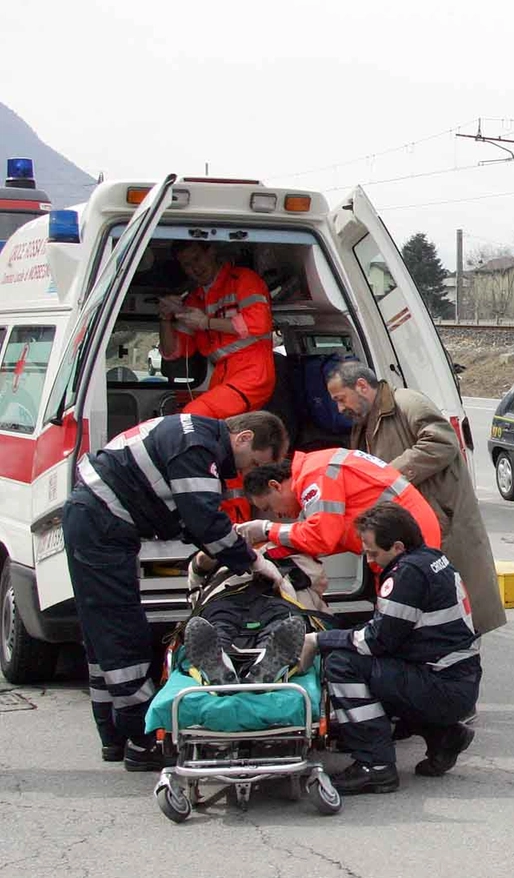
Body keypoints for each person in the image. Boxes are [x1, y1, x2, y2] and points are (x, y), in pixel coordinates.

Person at [64, 411, 289, 770]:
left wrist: (217, 545)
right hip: (102, 524)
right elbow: (203, 520)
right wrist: (251, 561)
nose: (245, 472)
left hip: (99, 520)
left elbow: (187, 518)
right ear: (243, 438)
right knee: (122, 635)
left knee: (103, 633)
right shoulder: (196, 446)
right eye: (253, 462)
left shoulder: (191, 434)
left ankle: (114, 737)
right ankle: (141, 739)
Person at [295, 503, 481, 795]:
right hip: (456, 679)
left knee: (342, 664)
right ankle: (444, 735)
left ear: (396, 546)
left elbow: (375, 641)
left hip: (443, 685)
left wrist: (318, 640)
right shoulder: (431, 558)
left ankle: (375, 766)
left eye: (372, 553)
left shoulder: (407, 575)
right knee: (375, 668)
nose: (370, 560)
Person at [325, 361, 505, 635]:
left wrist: (390, 476)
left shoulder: (407, 402)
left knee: (455, 613)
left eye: (341, 399)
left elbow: (443, 442)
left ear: (361, 386)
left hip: (441, 522)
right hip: (413, 526)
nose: (339, 408)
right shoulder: (364, 422)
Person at [238, 448, 443, 562]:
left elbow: (320, 537)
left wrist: (266, 529)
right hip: (404, 536)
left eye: (269, 507)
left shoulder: (315, 475)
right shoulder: (317, 467)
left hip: (404, 542)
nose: (277, 515)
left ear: (275, 486)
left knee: (403, 616)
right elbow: (330, 537)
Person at [157, 240, 276, 419]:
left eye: (197, 259)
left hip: (252, 372)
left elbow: (259, 323)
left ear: (211, 252)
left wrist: (206, 322)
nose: (195, 268)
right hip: (222, 375)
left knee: (193, 416)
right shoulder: (194, 299)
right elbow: (172, 352)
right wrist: (165, 318)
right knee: (216, 429)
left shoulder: (243, 279)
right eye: (187, 265)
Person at [181, 565, 310, 687]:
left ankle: (251, 665)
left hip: (275, 598)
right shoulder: (217, 552)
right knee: (219, 629)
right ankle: (249, 666)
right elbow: (199, 563)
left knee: (281, 629)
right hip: (226, 597)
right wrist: (230, 550)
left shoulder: (290, 553)